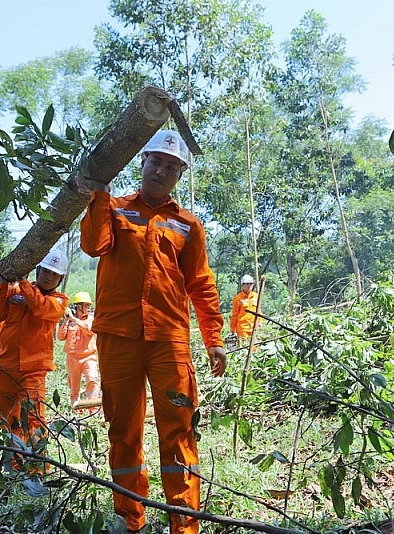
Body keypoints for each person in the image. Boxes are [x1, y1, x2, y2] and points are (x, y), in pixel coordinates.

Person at [77, 129, 227, 534]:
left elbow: (201, 284)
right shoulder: (115, 207)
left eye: (171, 167)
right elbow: (93, 246)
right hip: (118, 336)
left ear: (179, 175)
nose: (161, 171)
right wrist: (96, 197)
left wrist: (213, 339)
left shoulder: (188, 225)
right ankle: (130, 519)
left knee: (178, 431)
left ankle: (186, 524)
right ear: (142, 162)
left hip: (169, 340)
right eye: (155, 162)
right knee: (122, 430)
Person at [0, 250, 69, 471]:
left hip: (33, 370)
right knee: (6, 418)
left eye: (54, 275)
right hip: (5, 365)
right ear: (38, 270)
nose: (48, 277)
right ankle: (12, 470)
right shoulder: (14, 290)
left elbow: (40, 308)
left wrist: (21, 280)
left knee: (32, 419)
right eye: (46, 271)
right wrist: (4, 284)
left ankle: (36, 470)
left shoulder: (59, 301)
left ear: (60, 279)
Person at [56, 291, 100, 412]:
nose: (87, 308)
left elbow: (89, 330)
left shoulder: (90, 319)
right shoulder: (70, 320)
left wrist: (74, 319)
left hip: (88, 356)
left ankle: (93, 409)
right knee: (74, 387)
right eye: (85, 305)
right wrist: (66, 321)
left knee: (92, 379)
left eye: (88, 305)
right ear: (78, 306)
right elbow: (60, 337)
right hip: (72, 358)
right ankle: (76, 411)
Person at [230, 274, 261, 345]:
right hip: (243, 329)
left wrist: (260, 322)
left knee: (255, 349)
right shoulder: (238, 298)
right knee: (243, 349)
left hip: (254, 328)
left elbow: (259, 311)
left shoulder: (256, 296)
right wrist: (232, 329)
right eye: (247, 284)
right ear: (242, 285)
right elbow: (234, 315)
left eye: (250, 283)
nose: (249, 285)